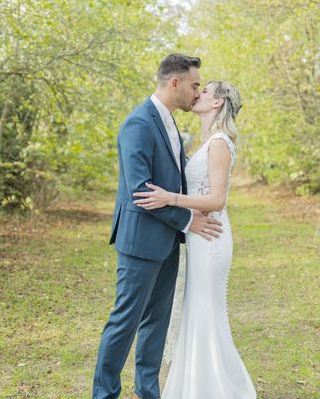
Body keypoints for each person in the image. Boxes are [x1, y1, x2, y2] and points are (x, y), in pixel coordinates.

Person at [92, 54, 223, 399]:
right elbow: (140, 191)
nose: (197, 92)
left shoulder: (170, 123)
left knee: (156, 323)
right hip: (140, 241)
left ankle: (147, 392)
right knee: (125, 322)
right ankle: (104, 393)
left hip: (168, 242)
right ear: (174, 83)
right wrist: (188, 220)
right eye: (195, 85)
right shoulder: (139, 123)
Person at [133, 80, 256, 398]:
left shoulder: (218, 143)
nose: (197, 94)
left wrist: (169, 198)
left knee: (206, 310)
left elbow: (217, 199)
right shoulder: (206, 142)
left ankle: (218, 387)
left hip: (212, 238)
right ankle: (196, 384)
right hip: (199, 237)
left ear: (217, 103)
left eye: (205, 91)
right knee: (195, 309)